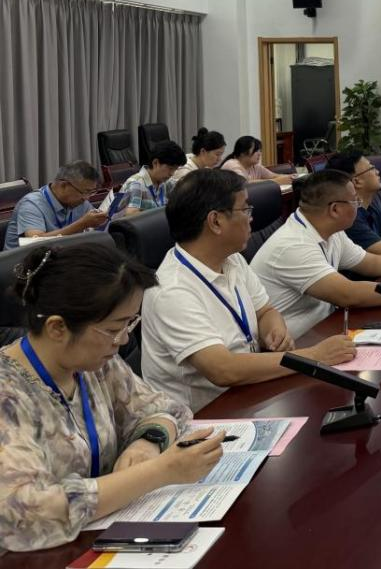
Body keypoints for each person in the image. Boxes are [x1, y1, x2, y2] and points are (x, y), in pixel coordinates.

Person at [0, 243, 225, 552]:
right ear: (57, 328)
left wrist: (148, 442)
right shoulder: (8, 396)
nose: (124, 339)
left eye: (130, 323)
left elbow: (165, 409)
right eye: (114, 328)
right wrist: (159, 472)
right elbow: (24, 512)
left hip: (100, 534)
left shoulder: (93, 363)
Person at [142, 169, 357, 411]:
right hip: (203, 416)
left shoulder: (231, 259)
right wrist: (315, 356)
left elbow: (265, 311)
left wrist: (274, 330)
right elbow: (223, 369)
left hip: (250, 392)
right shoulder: (172, 290)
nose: (251, 218)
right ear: (215, 221)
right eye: (245, 209)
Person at [250, 170, 381, 338]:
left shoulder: (331, 231)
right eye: (355, 202)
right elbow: (347, 294)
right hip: (299, 343)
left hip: (329, 327)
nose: (359, 207)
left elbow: (370, 263)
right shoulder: (293, 245)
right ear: (335, 209)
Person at [3, 161, 106, 250]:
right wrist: (82, 224)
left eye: (91, 192)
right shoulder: (31, 204)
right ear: (63, 185)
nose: (86, 198)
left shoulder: (79, 200)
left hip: (60, 257)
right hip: (22, 263)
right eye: (85, 192)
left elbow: (94, 225)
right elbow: (35, 244)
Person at [121, 142, 186, 216]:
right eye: (170, 168)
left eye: (175, 169)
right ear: (155, 163)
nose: (172, 173)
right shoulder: (136, 184)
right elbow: (131, 216)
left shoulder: (165, 182)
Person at [219, 136, 293, 186]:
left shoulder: (254, 166)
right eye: (256, 151)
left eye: (260, 151)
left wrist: (291, 177)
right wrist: (276, 182)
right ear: (242, 153)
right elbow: (245, 184)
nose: (259, 154)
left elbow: (273, 176)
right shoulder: (232, 165)